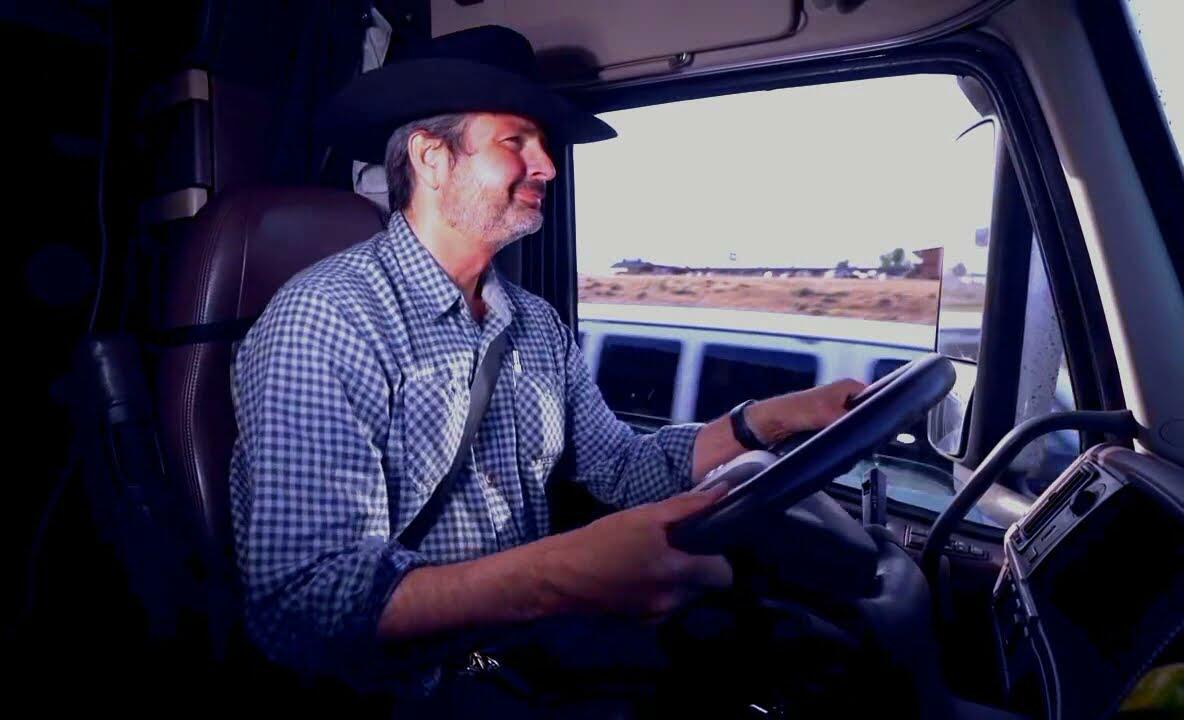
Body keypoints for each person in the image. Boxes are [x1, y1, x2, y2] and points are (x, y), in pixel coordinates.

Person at [229, 24, 865, 700]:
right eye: (515, 141)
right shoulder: (328, 318)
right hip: (423, 680)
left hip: (526, 650)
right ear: (432, 159)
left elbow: (623, 467)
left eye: (542, 143)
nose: (548, 166)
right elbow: (306, 603)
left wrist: (772, 419)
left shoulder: (534, 323)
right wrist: (560, 574)